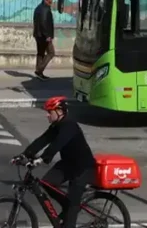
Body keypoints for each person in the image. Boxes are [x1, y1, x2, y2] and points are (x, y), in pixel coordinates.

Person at [15, 96, 97, 228]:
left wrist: (42, 158)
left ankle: (70, 210)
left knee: (73, 206)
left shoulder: (70, 125)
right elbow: (43, 140)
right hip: (68, 164)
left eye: (50, 112)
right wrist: (24, 155)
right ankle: (67, 204)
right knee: (47, 183)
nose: (47, 115)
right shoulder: (57, 125)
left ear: (60, 111)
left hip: (83, 168)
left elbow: (57, 144)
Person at [33, 0, 55, 80]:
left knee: (40, 53)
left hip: (37, 35)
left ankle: (39, 73)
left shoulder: (38, 8)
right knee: (51, 53)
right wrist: (47, 36)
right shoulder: (45, 9)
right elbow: (43, 23)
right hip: (44, 36)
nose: (51, 1)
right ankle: (39, 70)